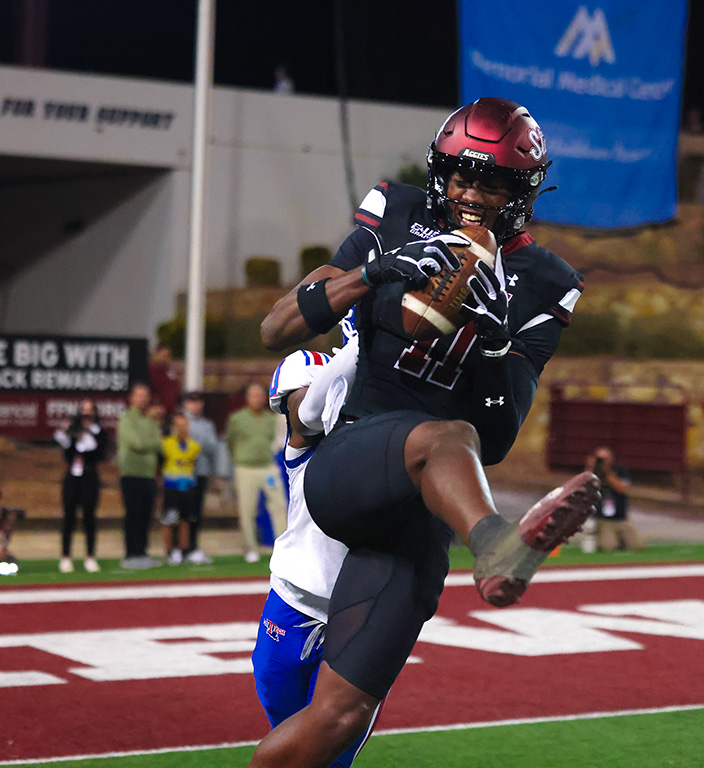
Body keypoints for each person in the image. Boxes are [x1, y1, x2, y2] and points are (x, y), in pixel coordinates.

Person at [250, 97, 599, 767]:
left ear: (520, 189)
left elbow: (497, 437)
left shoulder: (545, 282)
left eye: (489, 180)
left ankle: (494, 551)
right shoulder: (397, 213)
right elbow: (277, 330)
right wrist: (377, 271)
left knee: (339, 719)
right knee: (443, 436)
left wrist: (495, 340)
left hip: (420, 519)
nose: (469, 193)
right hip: (352, 464)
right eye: (460, 176)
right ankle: (498, 546)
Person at [252, 344, 378, 768]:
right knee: (287, 743)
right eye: (299, 390)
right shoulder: (302, 441)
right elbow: (311, 407)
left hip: (359, 615)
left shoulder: (374, 436)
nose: (310, 395)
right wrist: (362, 338)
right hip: (292, 603)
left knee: (332, 754)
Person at [227, 383, 288, 563]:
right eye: (253, 395)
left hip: (268, 467)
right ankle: (250, 548)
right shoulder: (237, 419)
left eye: (260, 395)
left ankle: (283, 547)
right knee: (247, 510)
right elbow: (231, 442)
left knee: (279, 505)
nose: (257, 399)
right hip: (246, 468)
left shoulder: (271, 419)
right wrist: (239, 459)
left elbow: (276, 439)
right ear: (247, 398)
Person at [53, 399, 109, 573]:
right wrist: (69, 432)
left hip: (90, 476)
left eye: (89, 410)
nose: (86, 414)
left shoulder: (99, 432)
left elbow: (99, 452)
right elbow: (65, 446)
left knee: (89, 517)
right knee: (69, 517)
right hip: (72, 476)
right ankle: (66, 556)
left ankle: (90, 556)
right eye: (83, 410)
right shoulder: (72, 430)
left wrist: (86, 435)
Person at [117, 382, 164, 569]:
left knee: (146, 515)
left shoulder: (151, 420)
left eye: (145, 396)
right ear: (132, 398)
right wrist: (152, 442)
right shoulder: (127, 419)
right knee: (133, 515)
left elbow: (160, 444)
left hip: (149, 474)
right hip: (131, 473)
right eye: (139, 395)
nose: (143, 399)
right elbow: (137, 443)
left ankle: (142, 552)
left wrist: (151, 442)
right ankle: (131, 554)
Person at [180, 392, 220, 564]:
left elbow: (212, 446)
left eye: (198, 403)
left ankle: (193, 548)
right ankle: (178, 549)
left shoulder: (207, 424)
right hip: (181, 473)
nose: (195, 406)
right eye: (191, 402)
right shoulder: (180, 421)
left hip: (201, 472)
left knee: (196, 513)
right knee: (181, 513)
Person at [159, 413, 201, 564]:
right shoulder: (166, 444)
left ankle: (184, 550)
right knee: (169, 519)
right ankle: (170, 551)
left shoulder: (194, 445)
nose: (182, 429)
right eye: (179, 426)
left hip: (187, 486)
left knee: (186, 519)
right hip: (171, 487)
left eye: (184, 425)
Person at [586, 446, 643, 552]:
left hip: (621, 518)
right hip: (603, 520)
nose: (602, 462)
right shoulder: (592, 474)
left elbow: (623, 488)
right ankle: (603, 538)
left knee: (637, 547)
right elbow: (586, 489)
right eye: (599, 459)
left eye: (605, 459)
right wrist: (590, 469)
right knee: (609, 547)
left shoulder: (619, 470)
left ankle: (621, 538)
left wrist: (608, 473)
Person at [148, 344, 180, 417]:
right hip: (155, 412)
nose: (165, 358)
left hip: (170, 413)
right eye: (162, 355)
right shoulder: (150, 371)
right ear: (155, 355)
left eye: (167, 356)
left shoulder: (171, 372)